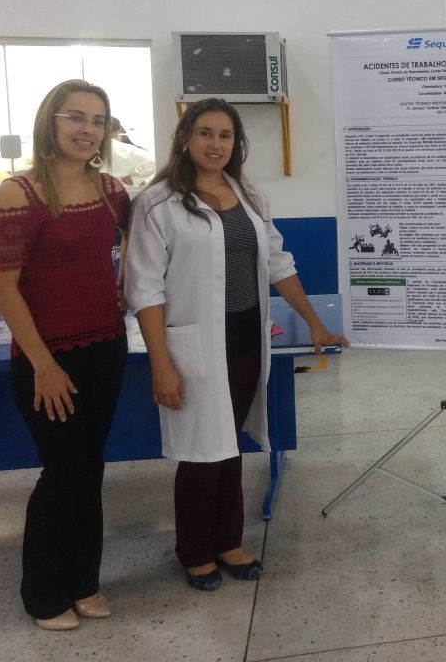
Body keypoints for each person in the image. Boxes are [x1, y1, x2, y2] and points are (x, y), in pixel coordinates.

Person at [124, 98, 348, 591]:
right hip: (194, 347)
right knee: (201, 451)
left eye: (225, 135)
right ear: (184, 138)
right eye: (205, 133)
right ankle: (194, 551)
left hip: (245, 340)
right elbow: (144, 288)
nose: (215, 144)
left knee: (228, 445)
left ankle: (228, 541)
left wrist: (313, 323)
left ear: (236, 144)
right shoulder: (157, 204)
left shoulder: (247, 195)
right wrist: (161, 364)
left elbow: (278, 263)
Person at [0, 80, 130, 631]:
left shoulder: (112, 190)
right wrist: (43, 364)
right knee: (64, 470)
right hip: (47, 358)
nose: (87, 129)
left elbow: (138, 242)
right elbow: (4, 288)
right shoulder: (19, 192)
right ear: (51, 120)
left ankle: (84, 581)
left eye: (98, 120)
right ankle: (43, 593)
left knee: (90, 468)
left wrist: (121, 283)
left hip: (106, 347)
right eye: (76, 116)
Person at [107, 116, 156, 187]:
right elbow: (153, 162)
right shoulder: (127, 150)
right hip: (124, 189)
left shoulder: (93, 148)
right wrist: (135, 179)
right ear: (117, 132)